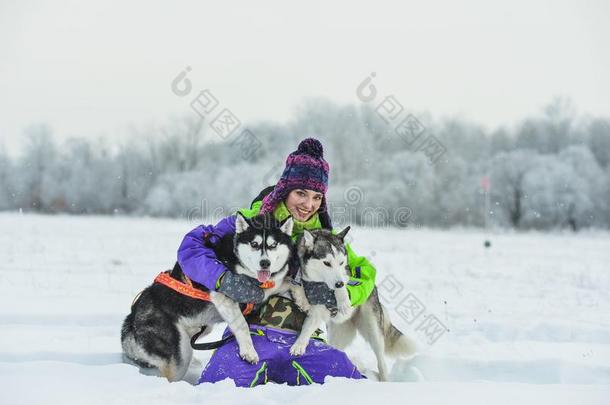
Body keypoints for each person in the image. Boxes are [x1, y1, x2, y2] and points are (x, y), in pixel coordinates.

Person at [177, 138, 377, 386]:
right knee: (217, 388)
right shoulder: (251, 222)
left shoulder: (325, 240)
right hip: (250, 337)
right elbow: (192, 246)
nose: (308, 205)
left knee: (353, 387)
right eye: (301, 193)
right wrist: (223, 279)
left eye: (317, 197)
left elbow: (365, 271)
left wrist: (343, 292)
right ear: (285, 190)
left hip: (305, 343)